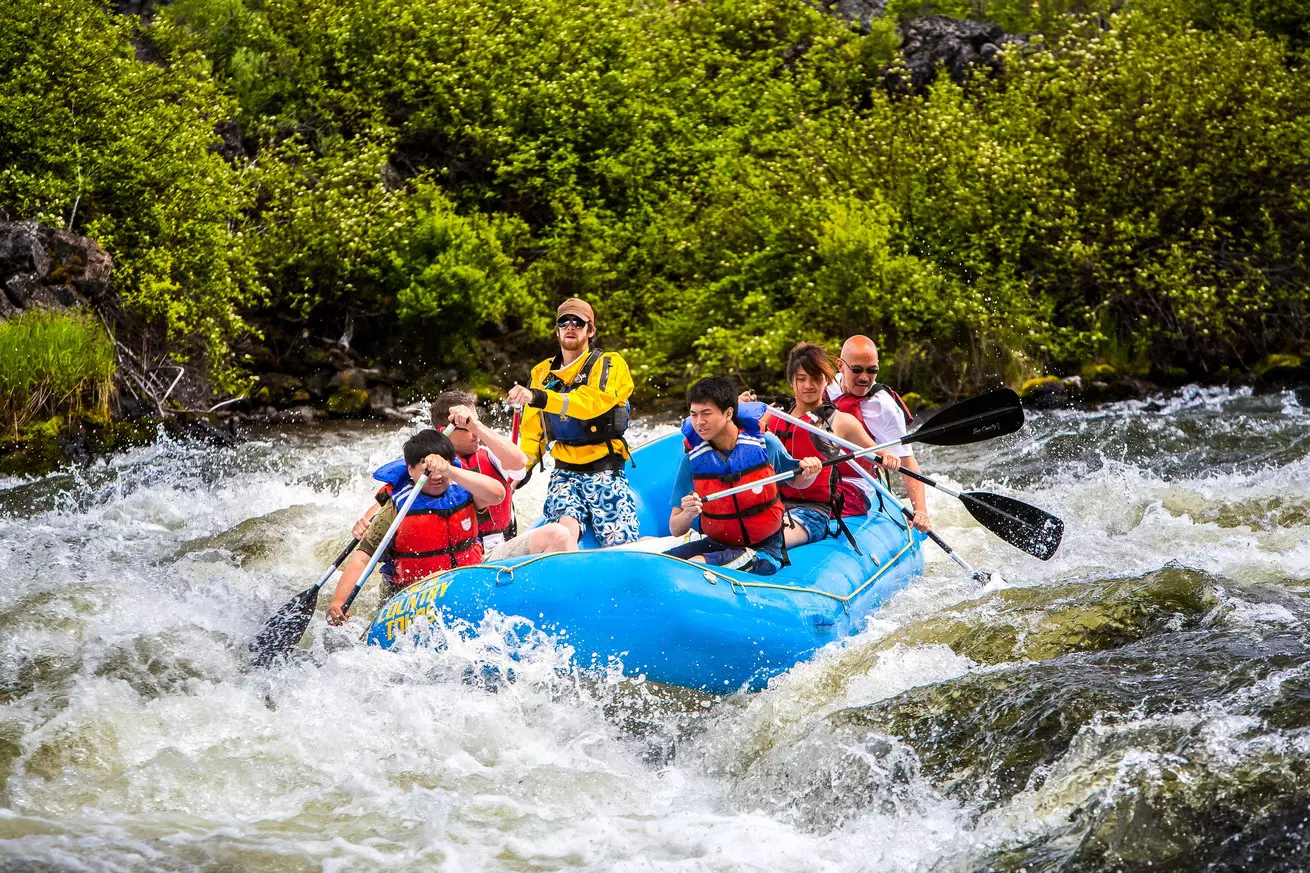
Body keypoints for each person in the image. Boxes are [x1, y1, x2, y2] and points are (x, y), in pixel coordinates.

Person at [355, 389, 575, 561]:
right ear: (444, 431)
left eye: (476, 422)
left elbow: (519, 464)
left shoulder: (490, 454)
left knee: (559, 535)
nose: (475, 434)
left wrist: (476, 426)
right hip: (457, 560)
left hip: (496, 552)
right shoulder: (422, 464)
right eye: (467, 426)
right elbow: (393, 503)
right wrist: (365, 522)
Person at [326, 429, 506, 625]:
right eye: (427, 471)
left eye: (441, 470)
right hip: (410, 597)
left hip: (464, 582)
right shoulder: (397, 509)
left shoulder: (465, 490)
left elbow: (497, 494)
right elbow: (363, 558)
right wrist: (339, 602)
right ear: (411, 470)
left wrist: (449, 470)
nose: (436, 476)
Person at [506, 298, 640, 548]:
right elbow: (534, 435)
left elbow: (593, 402)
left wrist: (539, 396)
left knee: (619, 542)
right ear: (557, 330)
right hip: (564, 473)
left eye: (578, 322)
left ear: (590, 331)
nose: (571, 326)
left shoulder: (610, 363)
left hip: (605, 471)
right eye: (564, 322)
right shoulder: (541, 373)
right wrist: (517, 474)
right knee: (563, 531)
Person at [745, 342, 901, 549]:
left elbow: (876, 452)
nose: (808, 385)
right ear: (791, 382)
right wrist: (739, 410)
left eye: (816, 378)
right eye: (801, 379)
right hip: (775, 503)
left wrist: (888, 458)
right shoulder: (773, 415)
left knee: (763, 540)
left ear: (826, 381)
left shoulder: (841, 421)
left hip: (814, 510)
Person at [665, 376, 821, 575]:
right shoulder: (692, 461)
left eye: (706, 414)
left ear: (729, 413)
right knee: (663, 565)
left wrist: (810, 471)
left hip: (763, 550)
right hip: (716, 544)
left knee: (697, 564)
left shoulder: (765, 445)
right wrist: (688, 513)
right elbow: (676, 529)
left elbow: (799, 482)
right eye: (693, 415)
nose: (699, 422)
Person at [825, 335, 930, 531]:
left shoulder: (884, 407)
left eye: (872, 370)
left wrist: (920, 510)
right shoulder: (823, 386)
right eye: (856, 370)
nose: (865, 378)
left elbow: (906, 460)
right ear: (840, 365)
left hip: (856, 482)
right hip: (816, 476)